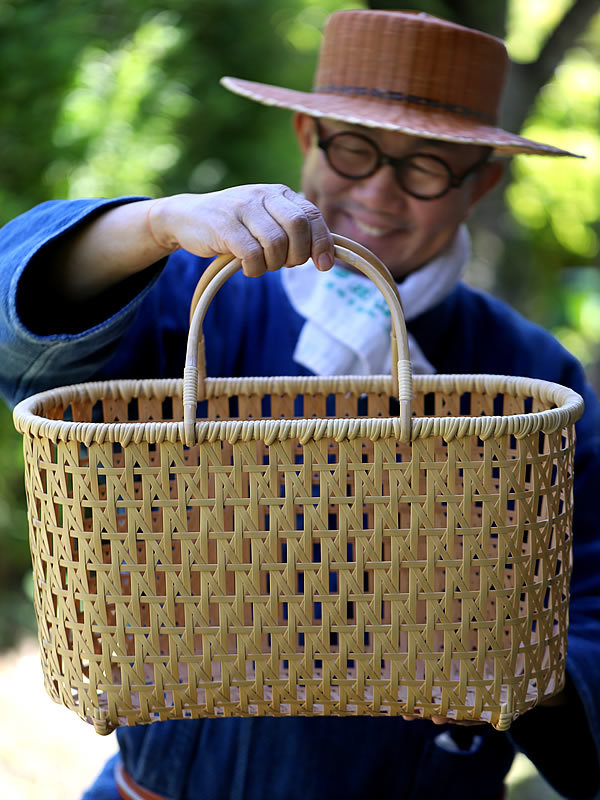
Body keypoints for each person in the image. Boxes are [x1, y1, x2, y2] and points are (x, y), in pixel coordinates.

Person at [1, 9, 599, 800]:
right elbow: (17, 327)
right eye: (355, 150)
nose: (379, 191)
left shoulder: (524, 375)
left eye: (426, 167)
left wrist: (522, 666)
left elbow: (590, 605)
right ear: (306, 136)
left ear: (481, 181)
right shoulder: (187, 301)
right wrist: (154, 222)